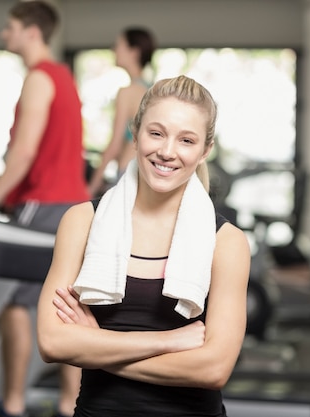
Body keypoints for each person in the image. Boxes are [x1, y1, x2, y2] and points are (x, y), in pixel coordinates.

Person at [36, 75, 251, 417]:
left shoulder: (226, 242)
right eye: (156, 133)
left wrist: (96, 345)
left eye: (186, 140)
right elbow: (52, 342)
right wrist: (167, 341)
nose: (167, 151)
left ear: (205, 150)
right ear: (135, 134)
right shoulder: (81, 222)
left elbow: (213, 369)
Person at [0, 2, 88, 417]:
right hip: (72, 205)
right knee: (68, 304)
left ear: (30, 32)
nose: (4, 34)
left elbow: (23, 153)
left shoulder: (39, 78)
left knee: (14, 303)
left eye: (10, 27)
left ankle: (13, 404)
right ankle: (70, 404)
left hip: (42, 205)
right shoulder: (64, 76)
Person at [87, 27, 156, 197]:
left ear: (134, 52)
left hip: (127, 172)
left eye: (118, 45)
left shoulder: (128, 92)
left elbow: (115, 145)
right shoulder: (152, 91)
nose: (114, 50)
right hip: (145, 175)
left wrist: (91, 188)